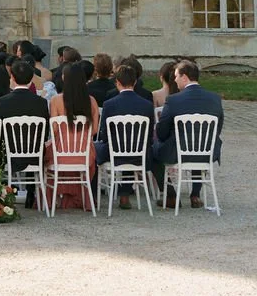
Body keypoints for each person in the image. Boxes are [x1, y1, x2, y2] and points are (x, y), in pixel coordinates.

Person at [153, 60, 224, 207]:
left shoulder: (173, 100)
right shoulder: (215, 98)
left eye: (177, 76)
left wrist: (165, 140)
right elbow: (217, 128)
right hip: (207, 152)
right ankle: (195, 195)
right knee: (198, 143)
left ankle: (170, 194)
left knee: (150, 152)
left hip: (179, 152)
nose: (174, 80)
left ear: (184, 77)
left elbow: (162, 132)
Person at [94, 62, 155, 208]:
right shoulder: (146, 104)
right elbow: (150, 132)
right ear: (134, 82)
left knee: (93, 149)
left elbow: (104, 134)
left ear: (117, 83)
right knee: (129, 146)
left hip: (114, 151)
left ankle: (93, 194)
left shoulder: (109, 104)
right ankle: (124, 194)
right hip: (139, 152)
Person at [0, 60, 50, 210]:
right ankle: (31, 192)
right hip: (34, 154)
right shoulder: (41, 103)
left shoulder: (2, 102)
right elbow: (44, 134)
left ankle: (2, 194)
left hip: (8, 153)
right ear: (31, 78)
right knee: (35, 143)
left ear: (11, 77)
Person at [45, 60, 100, 210]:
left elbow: (54, 130)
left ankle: (50, 199)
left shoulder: (56, 100)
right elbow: (94, 130)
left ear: (64, 78)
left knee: (44, 155)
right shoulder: (91, 101)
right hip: (85, 153)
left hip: (60, 151)